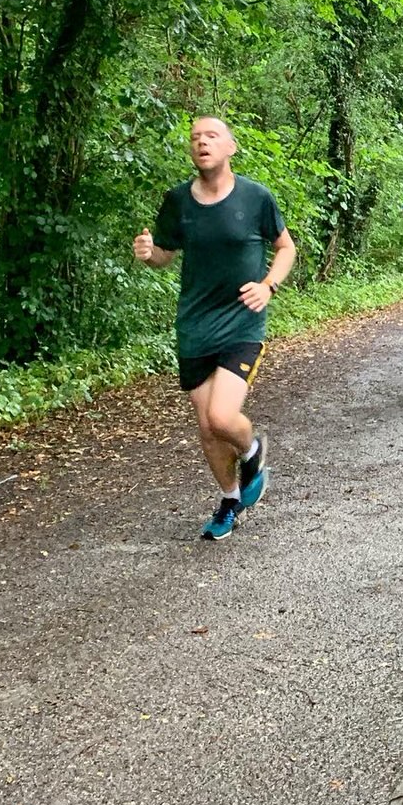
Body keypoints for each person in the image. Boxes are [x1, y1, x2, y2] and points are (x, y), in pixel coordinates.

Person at [133, 116, 296, 541]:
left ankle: (253, 449)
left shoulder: (255, 198)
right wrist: (149, 254)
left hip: (243, 321)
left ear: (230, 147)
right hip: (195, 326)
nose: (202, 142)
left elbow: (285, 248)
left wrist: (268, 285)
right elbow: (165, 255)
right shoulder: (177, 202)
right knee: (207, 427)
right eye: (195, 138)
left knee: (223, 416)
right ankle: (228, 499)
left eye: (211, 136)